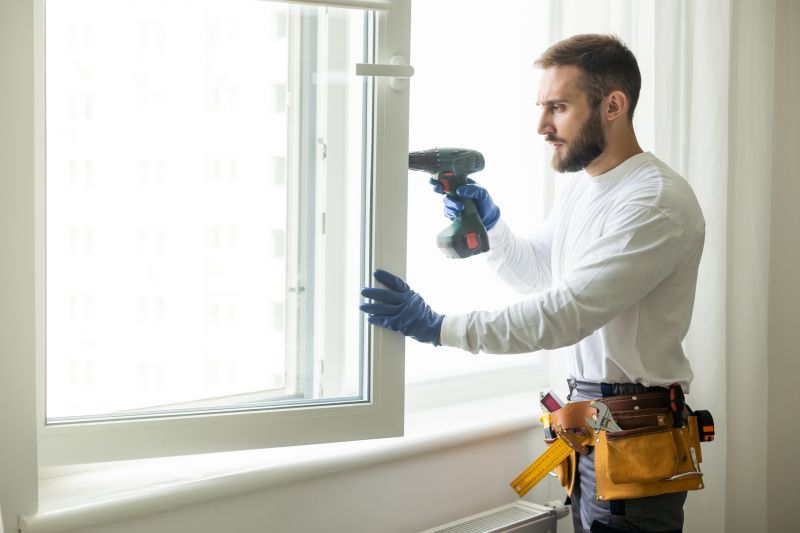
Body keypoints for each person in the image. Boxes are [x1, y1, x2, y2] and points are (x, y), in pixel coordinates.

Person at [360, 34, 705, 533]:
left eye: (558, 107)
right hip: (594, 431)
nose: (542, 126)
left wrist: (438, 327)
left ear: (613, 105)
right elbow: (537, 273)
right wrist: (492, 224)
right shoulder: (584, 190)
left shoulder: (655, 202)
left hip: (635, 438)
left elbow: (563, 315)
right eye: (542, 107)